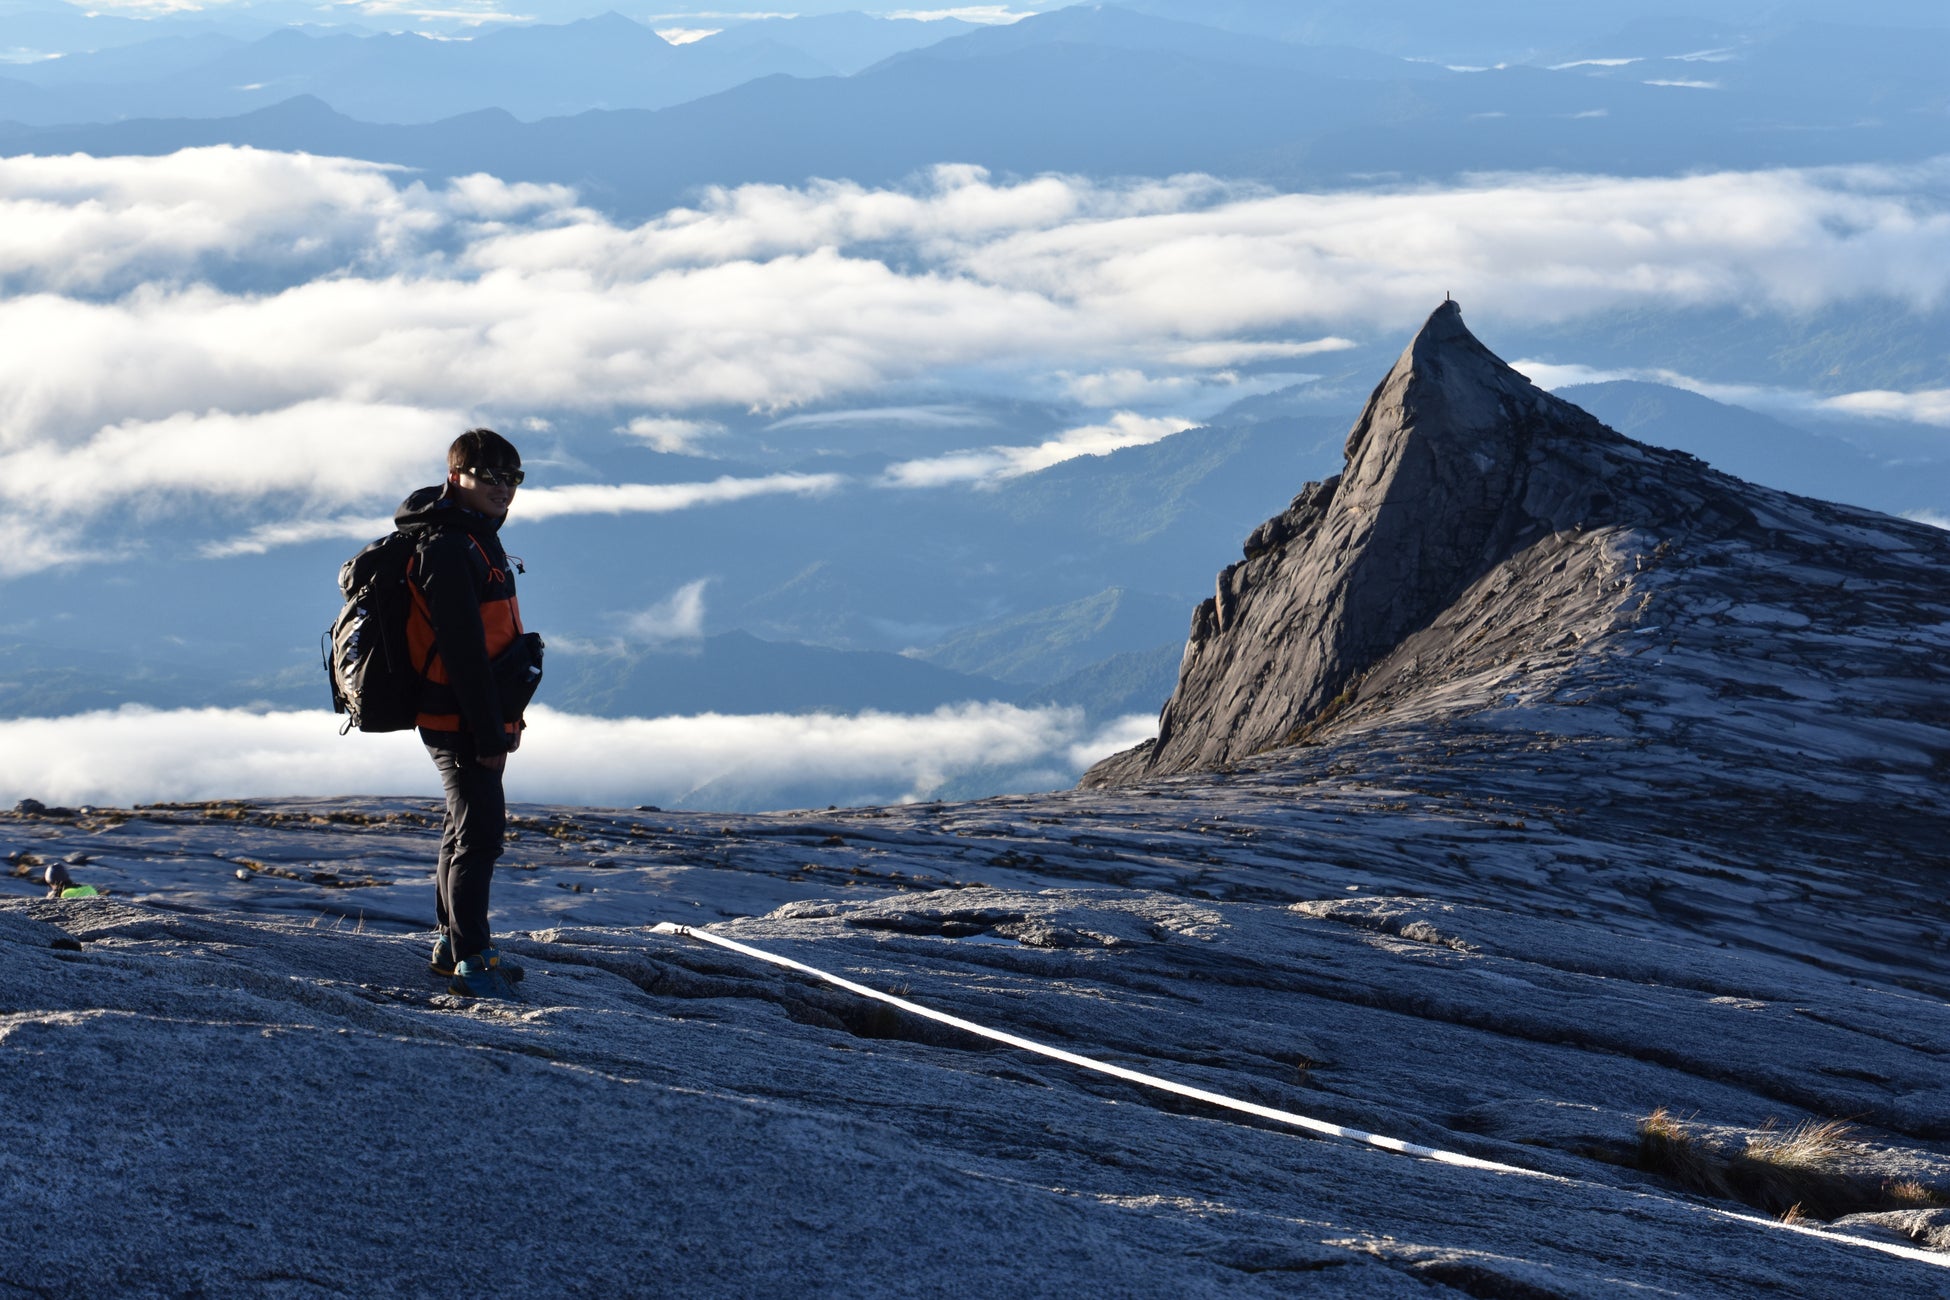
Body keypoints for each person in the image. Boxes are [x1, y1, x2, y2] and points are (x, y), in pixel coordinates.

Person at [396, 428, 534, 999]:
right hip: (460, 717)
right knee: (479, 836)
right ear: (457, 477)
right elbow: (463, 653)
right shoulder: (451, 548)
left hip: (469, 714)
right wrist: (488, 732)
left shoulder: (475, 536)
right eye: (490, 477)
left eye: (514, 478)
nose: (504, 489)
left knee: (462, 831)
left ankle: (453, 945)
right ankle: (473, 956)